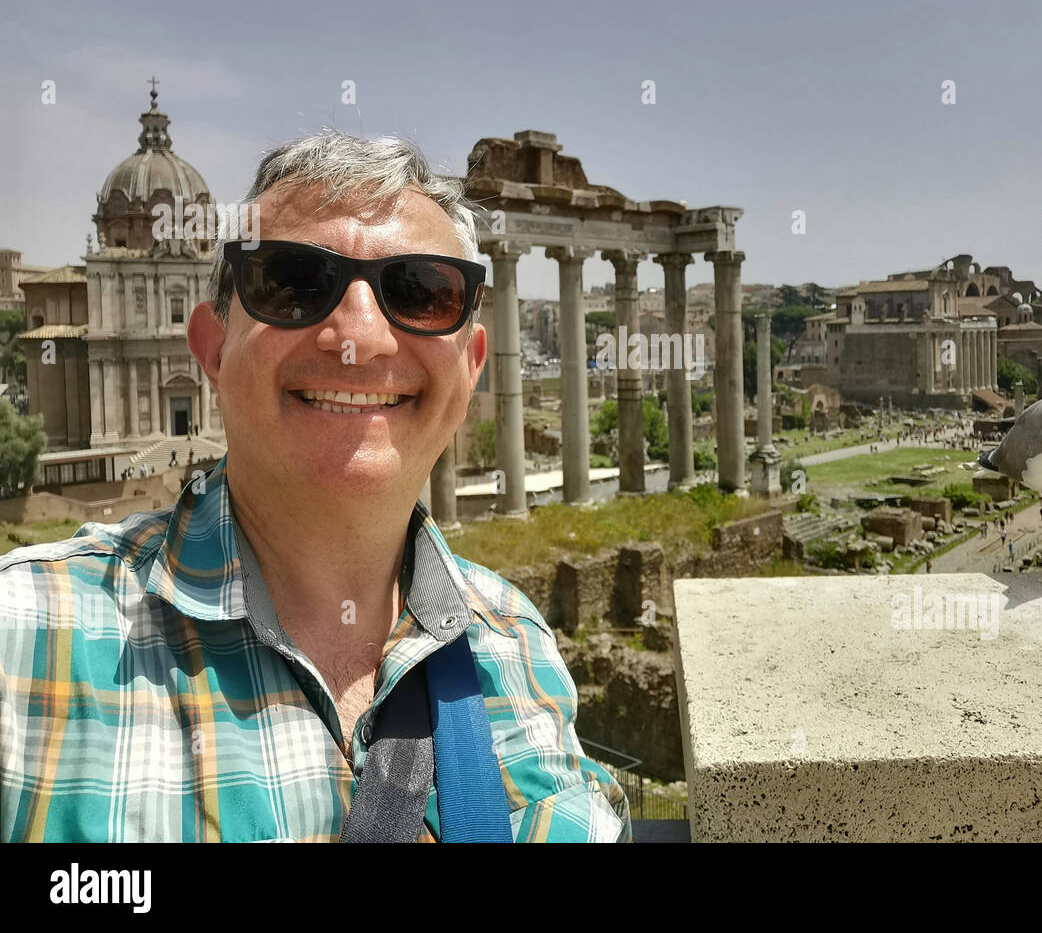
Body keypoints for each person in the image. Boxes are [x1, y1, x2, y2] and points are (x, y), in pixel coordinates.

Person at [0, 132, 630, 844]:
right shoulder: (20, 640)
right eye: (293, 281)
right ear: (210, 346)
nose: (360, 335)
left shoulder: (522, 647)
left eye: (421, 291)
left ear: (473, 364)